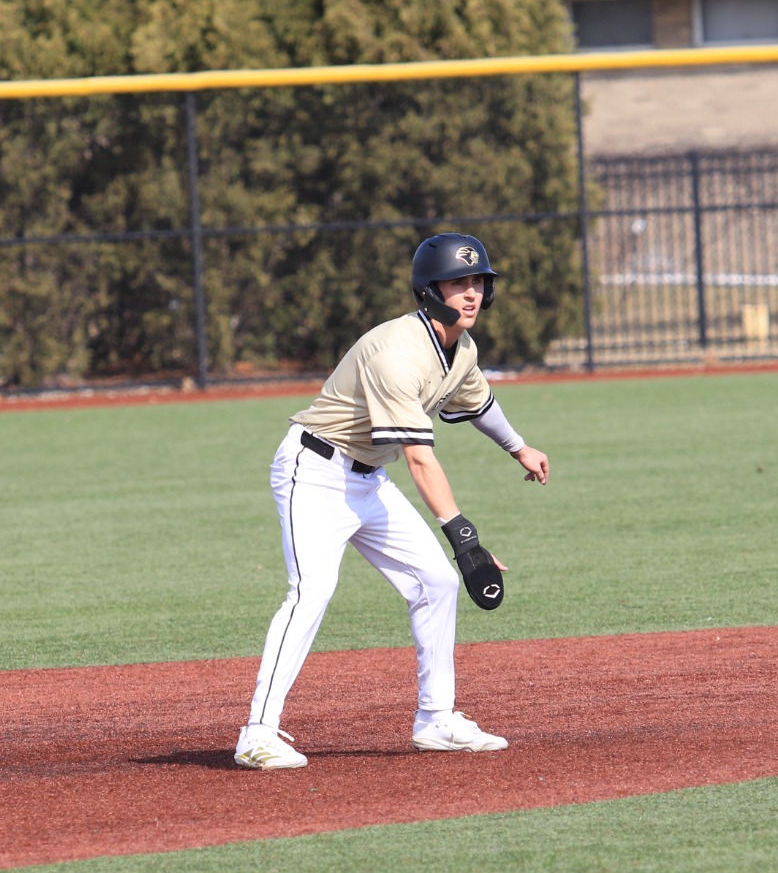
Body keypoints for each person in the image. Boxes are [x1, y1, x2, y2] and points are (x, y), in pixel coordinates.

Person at [234, 233, 552, 770]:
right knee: (312, 591)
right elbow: (421, 459)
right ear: (430, 290)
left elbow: (478, 402)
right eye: (458, 282)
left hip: (368, 479)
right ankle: (257, 733)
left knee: (437, 582)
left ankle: (436, 719)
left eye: (478, 281)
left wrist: (518, 448)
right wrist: (466, 540)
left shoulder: (461, 348)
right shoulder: (396, 353)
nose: (471, 293)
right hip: (314, 472)